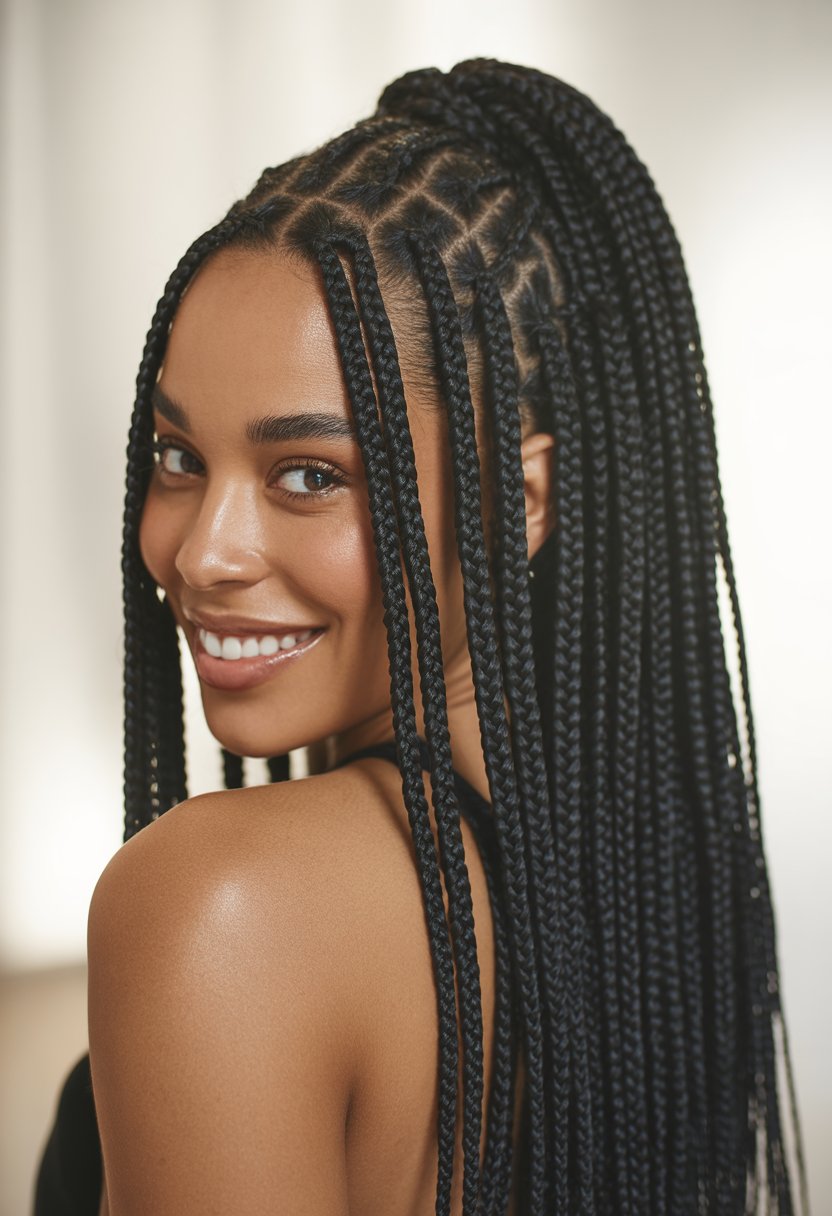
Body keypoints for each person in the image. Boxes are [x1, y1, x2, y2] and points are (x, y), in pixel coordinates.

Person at [35, 58, 804, 1215]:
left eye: (307, 474)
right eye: (179, 458)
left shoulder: (223, 906)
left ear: (525, 501)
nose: (201, 553)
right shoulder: (645, 909)